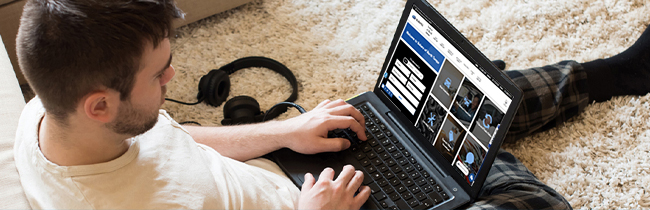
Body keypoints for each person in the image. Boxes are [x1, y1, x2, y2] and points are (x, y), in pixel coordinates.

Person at [12, 0, 650, 209]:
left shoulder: (48, 115)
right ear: (101, 103)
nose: (175, 77)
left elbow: (178, 143)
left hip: (302, 175)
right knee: (524, 199)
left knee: (404, 113)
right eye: (159, 75)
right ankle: (473, 150)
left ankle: (607, 75)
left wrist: (290, 129)